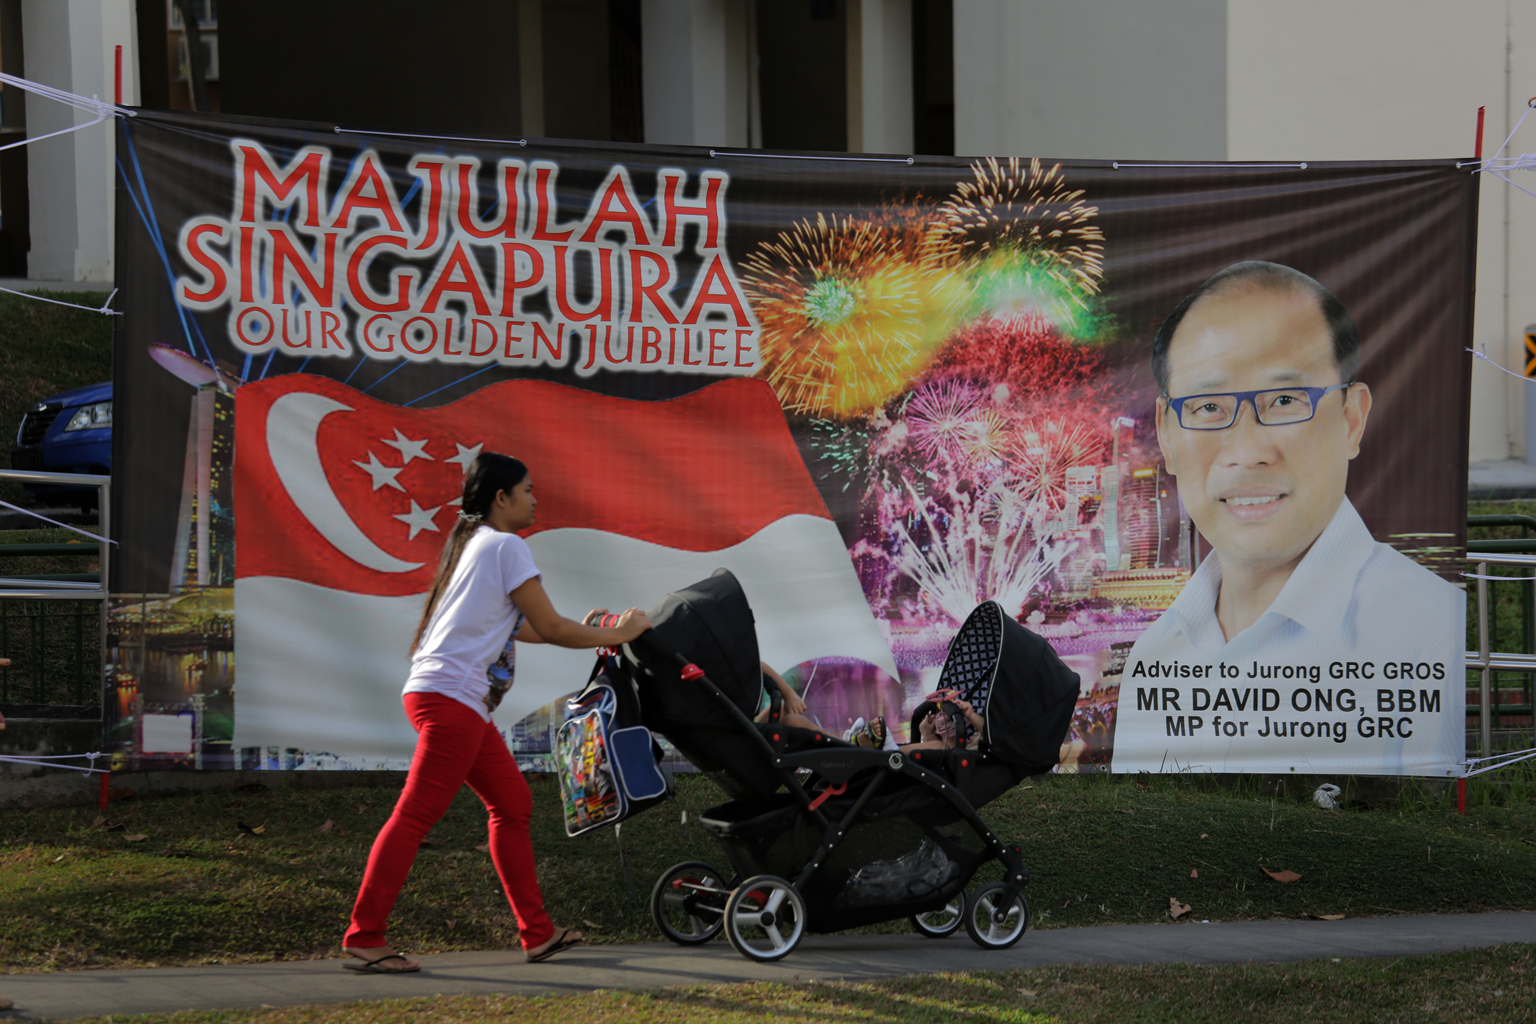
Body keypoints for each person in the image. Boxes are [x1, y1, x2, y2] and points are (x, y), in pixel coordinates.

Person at [1121, 262, 1463, 765]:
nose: (1247, 450)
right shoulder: (1154, 658)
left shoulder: (1431, 635)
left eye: (1284, 399)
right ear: (1167, 435)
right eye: (1208, 407)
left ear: (1352, 419)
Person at [342, 453, 652, 973]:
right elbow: (551, 628)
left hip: (444, 696)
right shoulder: (506, 545)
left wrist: (599, 632)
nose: (535, 499)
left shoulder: (474, 547)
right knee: (415, 815)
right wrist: (623, 633)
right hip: (451, 698)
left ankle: (537, 934)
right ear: (501, 498)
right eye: (528, 490)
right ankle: (364, 936)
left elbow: (529, 627)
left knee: (512, 803)